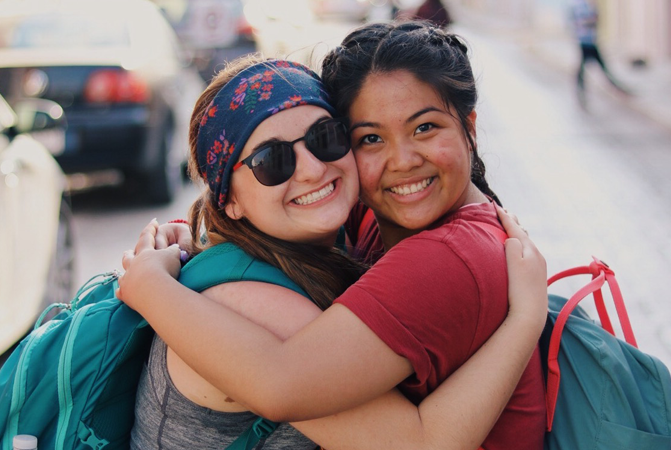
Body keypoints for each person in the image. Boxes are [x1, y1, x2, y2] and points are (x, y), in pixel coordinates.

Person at [119, 22, 547, 450]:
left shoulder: (431, 247)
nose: (313, 169)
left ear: (468, 128)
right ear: (228, 200)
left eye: (324, 139)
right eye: (273, 161)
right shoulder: (359, 232)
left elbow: (284, 384)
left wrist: (149, 284)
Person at [569, 0, 630, 107]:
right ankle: (581, 91)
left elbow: (596, 20)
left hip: (591, 41)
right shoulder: (580, 6)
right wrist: (591, 20)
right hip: (584, 42)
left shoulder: (589, 5)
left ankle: (616, 87)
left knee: (597, 68)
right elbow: (581, 21)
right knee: (587, 69)